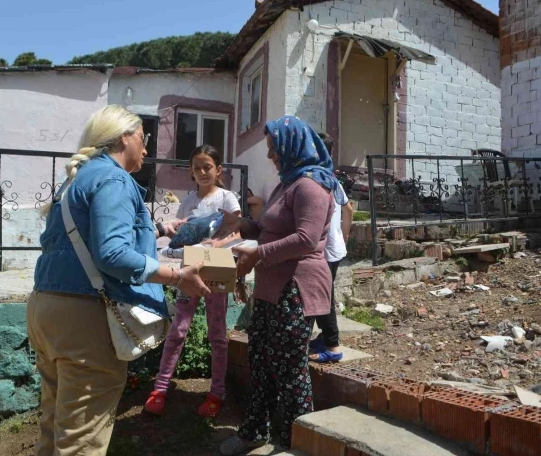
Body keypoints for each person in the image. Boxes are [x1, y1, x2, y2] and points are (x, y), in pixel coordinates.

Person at [27, 105, 210, 456]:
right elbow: (111, 254)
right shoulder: (113, 179)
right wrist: (177, 277)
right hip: (84, 318)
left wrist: (155, 229)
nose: (145, 149)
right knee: (81, 440)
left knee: (54, 426)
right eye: (144, 139)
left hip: (47, 308)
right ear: (125, 137)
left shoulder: (79, 177)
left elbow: (82, 236)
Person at [215, 116, 340, 455]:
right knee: (260, 361)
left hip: (295, 290)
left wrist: (258, 253)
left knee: (289, 371)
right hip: (273, 287)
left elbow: (305, 239)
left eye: (274, 149)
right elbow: (272, 228)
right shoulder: (288, 184)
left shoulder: (312, 186)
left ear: (293, 146)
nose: (271, 156)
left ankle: (294, 443)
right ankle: (255, 431)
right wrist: (245, 226)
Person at [144, 145, 241, 418]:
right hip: (189, 270)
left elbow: (239, 231)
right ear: (191, 171)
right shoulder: (188, 201)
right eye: (196, 168)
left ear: (218, 169)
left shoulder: (227, 198)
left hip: (217, 270)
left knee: (217, 333)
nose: (202, 172)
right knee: (178, 329)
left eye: (207, 167)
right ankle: (160, 388)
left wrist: (218, 242)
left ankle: (217, 392)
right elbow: (182, 233)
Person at [309, 132, 354, 363]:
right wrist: (343, 237)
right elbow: (349, 210)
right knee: (322, 296)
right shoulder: (332, 179)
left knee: (322, 298)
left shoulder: (317, 178)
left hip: (324, 250)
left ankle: (333, 347)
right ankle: (325, 338)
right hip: (334, 249)